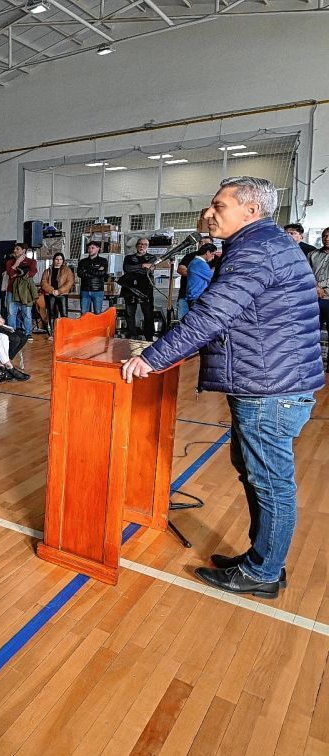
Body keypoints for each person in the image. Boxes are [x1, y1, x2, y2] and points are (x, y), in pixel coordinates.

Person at [123, 177, 323, 599]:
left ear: (251, 211)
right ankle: (262, 560)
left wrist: (152, 358)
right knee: (257, 474)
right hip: (270, 378)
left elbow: (213, 315)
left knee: (270, 482)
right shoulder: (263, 244)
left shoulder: (257, 250)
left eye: (220, 205)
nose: (210, 213)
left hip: (269, 385)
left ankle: (264, 572)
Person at [121, 237, 158, 340]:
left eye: (145, 244)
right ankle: (132, 335)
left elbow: (149, 270)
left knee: (148, 313)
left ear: (148, 246)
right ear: (136, 245)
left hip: (146, 288)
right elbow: (127, 269)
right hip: (130, 288)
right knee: (129, 313)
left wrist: (137, 268)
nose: (142, 246)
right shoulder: (128, 258)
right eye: (140, 244)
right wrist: (142, 266)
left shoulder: (152, 257)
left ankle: (149, 337)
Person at [4, 244, 38, 334]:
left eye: (17, 249)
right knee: (11, 313)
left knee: (26, 313)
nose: (15, 250)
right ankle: (12, 333)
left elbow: (32, 272)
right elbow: (10, 273)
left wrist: (18, 273)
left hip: (25, 291)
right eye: (14, 249)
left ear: (24, 251)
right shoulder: (9, 262)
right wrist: (17, 263)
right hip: (11, 290)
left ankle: (28, 333)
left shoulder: (32, 261)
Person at [40, 253, 75, 337]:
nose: (58, 261)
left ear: (63, 261)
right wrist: (52, 291)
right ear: (54, 260)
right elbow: (43, 282)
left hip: (62, 294)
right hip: (50, 294)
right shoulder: (48, 270)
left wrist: (59, 291)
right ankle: (52, 334)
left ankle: (65, 332)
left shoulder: (67, 270)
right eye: (57, 259)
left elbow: (70, 282)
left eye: (60, 259)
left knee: (64, 314)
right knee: (51, 314)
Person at [76, 241, 108, 314]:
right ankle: (85, 326)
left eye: (92, 248)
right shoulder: (82, 261)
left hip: (98, 290)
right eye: (89, 248)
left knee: (97, 312)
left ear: (98, 249)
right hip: (85, 290)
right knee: (84, 313)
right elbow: (80, 274)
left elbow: (102, 273)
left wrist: (87, 270)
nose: (90, 250)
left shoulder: (103, 261)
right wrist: (95, 270)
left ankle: (97, 326)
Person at [305, 229, 329, 330]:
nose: (327, 239)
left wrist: (320, 287)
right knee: (311, 331)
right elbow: (305, 274)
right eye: (324, 236)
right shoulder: (312, 254)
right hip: (313, 299)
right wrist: (316, 287)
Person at [184, 242, 220, 309]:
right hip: (197, 297)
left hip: (194, 297)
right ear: (207, 252)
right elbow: (213, 278)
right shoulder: (200, 263)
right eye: (212, 254)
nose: (213, 257)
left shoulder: (195, 262)